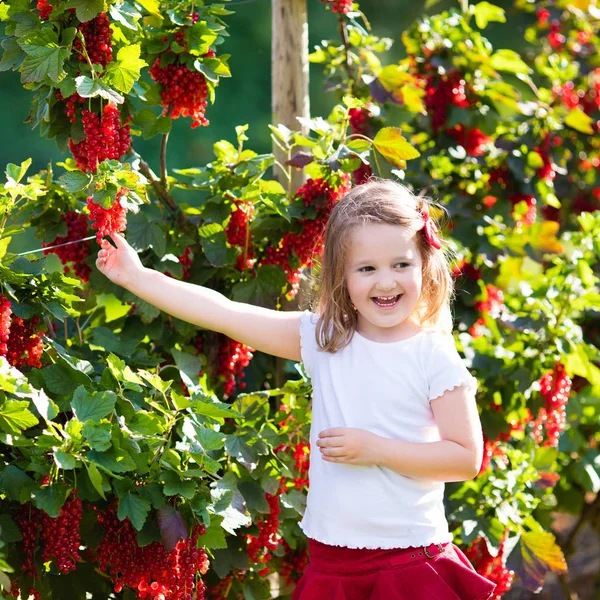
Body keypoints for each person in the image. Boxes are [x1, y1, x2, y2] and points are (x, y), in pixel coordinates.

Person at [96, 179, 496, 600]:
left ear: (424, 264)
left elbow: (465, 458)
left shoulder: (431, 352)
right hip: (332, 562)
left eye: (401, 265)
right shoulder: (327, 339)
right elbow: (226, 314)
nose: (386, 282)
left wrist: (376, 449)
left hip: (409, 561)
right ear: (341, 274)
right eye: (367, 268)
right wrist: (137, 278)